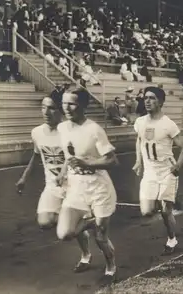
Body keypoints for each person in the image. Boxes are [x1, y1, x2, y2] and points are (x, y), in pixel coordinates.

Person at [15, 97, 91, 273]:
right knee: (45, 221)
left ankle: (86, 255)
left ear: (61, 111)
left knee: (69, 229)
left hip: (73, 185)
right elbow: (36, 156)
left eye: (51, 108)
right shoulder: (37, 132)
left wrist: (65, 173)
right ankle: (85, 223)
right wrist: (24, 178)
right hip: (52, 186)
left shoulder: (70, 132)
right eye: (43, 107)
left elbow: (75, 157)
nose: (46, 112)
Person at [56, 88, 119, 285]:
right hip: (76, 187)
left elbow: (112, 161)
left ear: (83, 105)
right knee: (66, 233)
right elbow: (69, 155)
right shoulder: (62, 128)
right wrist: (62, 172)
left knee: (100, 236)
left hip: (98, 188)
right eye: (65, 102)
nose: (67, 107)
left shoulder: (94, 130)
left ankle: (111, 267)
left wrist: (87, 164)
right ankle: (86, 254)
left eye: (72, 103)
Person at [132, 86, 183, 254]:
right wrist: (138, 161)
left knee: (165, 211)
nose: (147, 101)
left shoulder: (168, 124)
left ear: (161, 102)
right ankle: (168, 199)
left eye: (152, 98)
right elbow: (139, 140)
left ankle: (172, 239)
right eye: (146, 98)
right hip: (150, 172)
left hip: (167, 171)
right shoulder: (140, 122)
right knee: (147, 211)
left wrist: (177, 166)